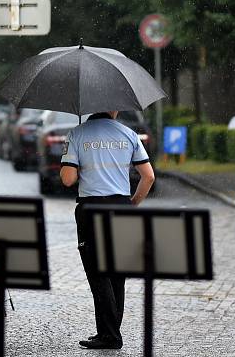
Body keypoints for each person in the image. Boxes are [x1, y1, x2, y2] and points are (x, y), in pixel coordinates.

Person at [60, 111, 156, 350]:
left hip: (91, 208)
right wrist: (132, 204)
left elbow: (67, 179)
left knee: (97, 273)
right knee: (115, 273)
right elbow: (149, 176)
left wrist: (79, 164)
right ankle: (108, 331)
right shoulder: (129, 134)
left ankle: (111, 335)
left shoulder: (77, 134)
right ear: (114, 110)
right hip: (121, 206)